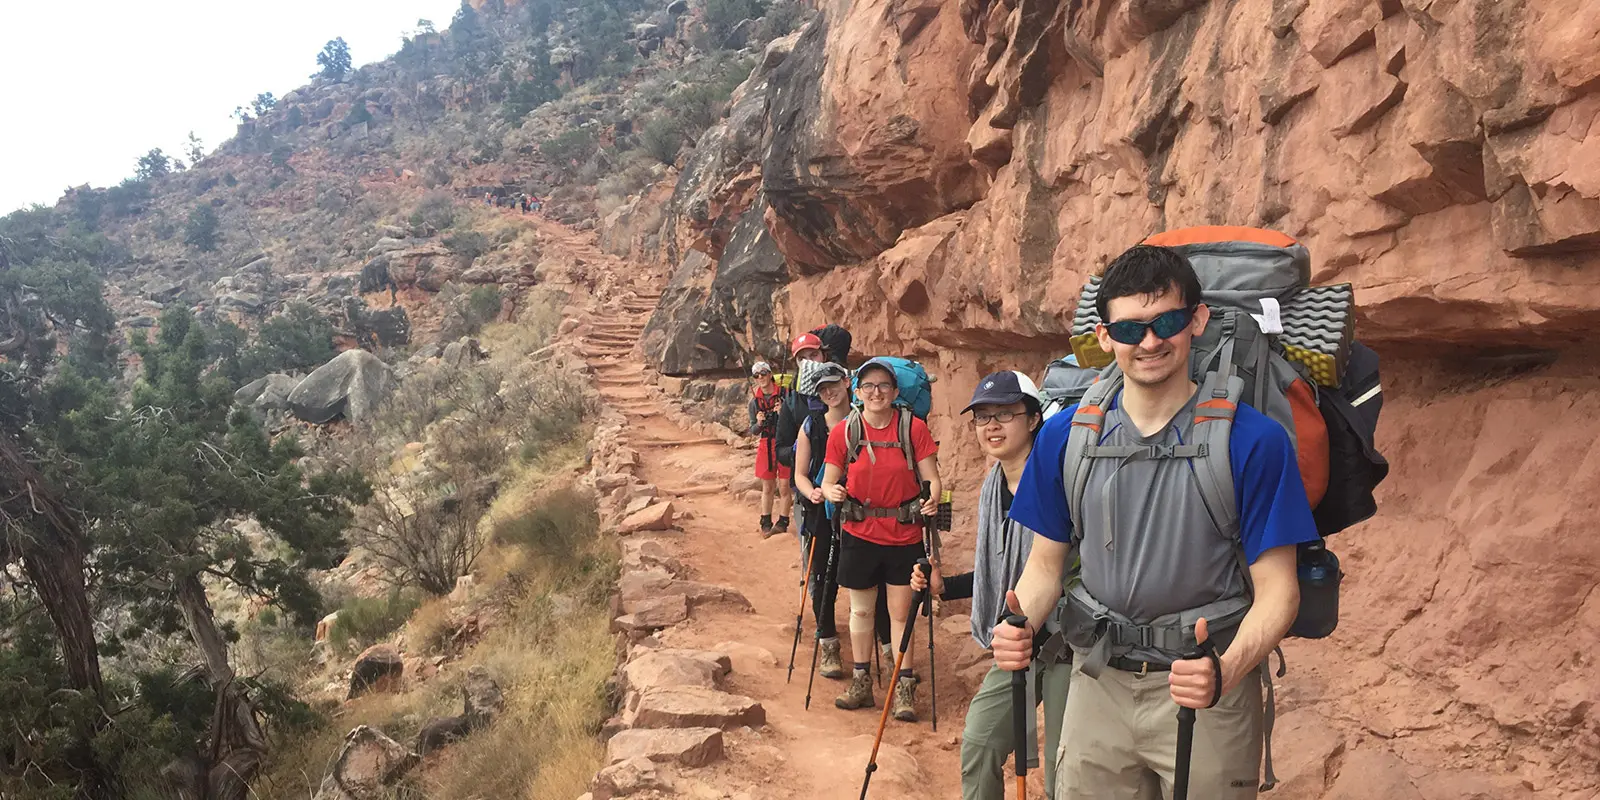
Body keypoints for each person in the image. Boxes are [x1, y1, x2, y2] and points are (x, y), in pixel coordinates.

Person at [989, 244, 1319, 799]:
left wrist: (1225, 671)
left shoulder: (1253, 441)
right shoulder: (1065, 438)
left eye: (1166, 322)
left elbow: (1279, 592)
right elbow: (1044, 568)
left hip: (1206, 690)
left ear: (1197, 320)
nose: (1149, 342)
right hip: (1098, 682)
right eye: (1129, 329)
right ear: (1104, 336)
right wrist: (1017, 623)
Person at [910, 370, 1071, 799]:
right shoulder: (993, 487)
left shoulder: (1061, 479)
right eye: (983, 417)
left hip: (1070, 645)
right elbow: (999, 574)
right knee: (980, 743)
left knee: (1065, 774)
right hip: (1017, 643)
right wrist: (945, 587)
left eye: (1005, 414)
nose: (992, 426)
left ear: (1033, 419)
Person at [821, 358, 941, 721]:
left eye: (884, 386)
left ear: (895, 391)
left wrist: (933, 498)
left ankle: (903, 686)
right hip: (859, 534)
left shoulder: (913, 428)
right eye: (869, 386)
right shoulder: (844, 431)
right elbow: (829, 479)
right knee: (861, 610)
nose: (876, 393)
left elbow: (932, 478)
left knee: (901, 614)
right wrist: (831, 492)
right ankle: (862, 682)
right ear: (857, 392)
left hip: (904, 535)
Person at [748, 361, 793, 536]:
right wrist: (759, 423)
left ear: (770, 374)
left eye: (763, 373)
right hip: (766, 444)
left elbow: (795, 420)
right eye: (756, 375)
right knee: (767, 486)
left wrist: (783, 413)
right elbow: (753, 430)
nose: (760, 377)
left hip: (784, 442)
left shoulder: (785, 395)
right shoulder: (754, 402)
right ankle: (765, 522)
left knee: (784, 486)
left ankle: (783, 522)